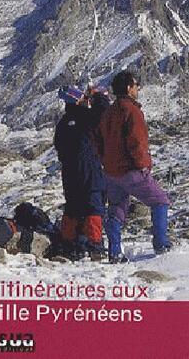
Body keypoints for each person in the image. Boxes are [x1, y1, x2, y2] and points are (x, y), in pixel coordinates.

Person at [97, 70, 171, 262]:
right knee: (160, 201)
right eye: (136, 84)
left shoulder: (108, 112)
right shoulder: (132, 111)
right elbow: (137, 142)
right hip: (131, 170)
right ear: (129, 88)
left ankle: (114, 252)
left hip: (111, 172)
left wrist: (106, 161)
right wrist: (143, 165)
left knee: (116, 209)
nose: (138, 87)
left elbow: (98, 141)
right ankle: (162, 244)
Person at [54, 86, 110, 260]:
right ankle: (95, 246)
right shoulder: (85, 117)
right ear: (78, 100)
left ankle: (69, 245)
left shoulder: (63, 124)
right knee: (93, 205)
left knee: (72, 207)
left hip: (69, 172)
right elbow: (103, 114)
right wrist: (99, 96)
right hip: (89, 169)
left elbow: (59, 148)